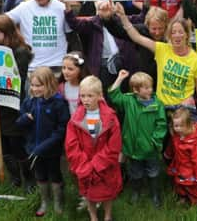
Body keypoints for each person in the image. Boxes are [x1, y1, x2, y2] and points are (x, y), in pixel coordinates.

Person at [114, 4, 197, 130]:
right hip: (162, 108)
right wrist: (123, 17)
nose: (177, 35)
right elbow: (136, 37)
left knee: (187, 146)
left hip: (184, 109)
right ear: (169, 35)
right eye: (173, 32)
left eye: (180, 32)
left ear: (187, 34)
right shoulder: (162, 49)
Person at [0, 14, 35, 191]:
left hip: (13, 106)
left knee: (17, 145)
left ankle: (29, 178)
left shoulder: (20, 52)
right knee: (4, 144)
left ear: (6, 33)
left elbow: (17, 79)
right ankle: (15, 178)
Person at [65, 76, 122, 221]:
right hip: (85, 166)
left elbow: (114, 145)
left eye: (90, 96)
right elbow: (72, 145)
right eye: (82, 96)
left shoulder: (110, 118)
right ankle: (93, 216)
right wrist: (85, 166)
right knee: (90, 194)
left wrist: (96, 164)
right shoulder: (75, 120)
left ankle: (108, 215)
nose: (86, 100)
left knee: (108, 193)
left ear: (99, 95)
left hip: (105, 167)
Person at [16, 66, 70, 217]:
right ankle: (45, 202)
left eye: (39, 85)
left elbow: (61, 130)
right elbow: (19, 122)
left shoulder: (58, 103)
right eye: (33, 85)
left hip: (51, 149)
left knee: (54, 174)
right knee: (40, 175)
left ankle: (59, 202)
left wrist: (44, 147)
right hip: (33, 148)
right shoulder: (29, 102)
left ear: (49, 84)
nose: (35, 89)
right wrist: (25, 119)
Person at [108, 70, 166, 207]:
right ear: (135, 90)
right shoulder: (129, 101)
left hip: (151, 148)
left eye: (150, 87)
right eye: (146, 88)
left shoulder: (157, 104)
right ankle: (136, 193)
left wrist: (155, 141)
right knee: (136, 172)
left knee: (153, 172)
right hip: (133, 147)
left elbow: (162, 124)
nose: (150, 90)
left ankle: (155, 195)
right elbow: (113, 95)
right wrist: (120, 78)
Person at [6, 0, 69, 73]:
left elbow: (71, 33)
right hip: (32, 66)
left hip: (56, 65)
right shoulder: (24, 7)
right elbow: (3, 20)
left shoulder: (61, 8)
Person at [164, 107, 197, 206]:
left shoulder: (193, 142)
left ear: (188, 124)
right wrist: (168, 154)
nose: (177, 128)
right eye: (175, 125)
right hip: (179, 164)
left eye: (181, 126)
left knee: (191, 186)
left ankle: (196, 200)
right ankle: (183, 196)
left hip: (189, 168)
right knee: (179, 183)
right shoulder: (176, 135)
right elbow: (172, 146)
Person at [58, 52, 90, 116]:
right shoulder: (60, 88)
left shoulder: (89, 88)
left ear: (80, 70)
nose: (65, 72)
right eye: (64, 68)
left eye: (70, 69)